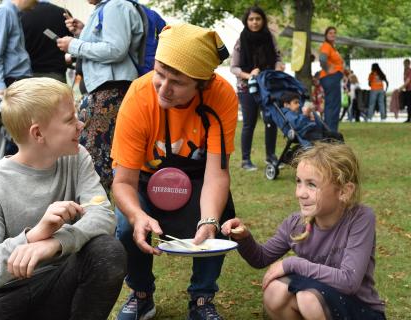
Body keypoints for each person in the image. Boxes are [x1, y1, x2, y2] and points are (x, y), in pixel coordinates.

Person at [0, 77, 126, 320]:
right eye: (69, 120)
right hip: (4, 293)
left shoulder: (77, 158)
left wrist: (56, 243)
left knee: (107, 250)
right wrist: (34, 236)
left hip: (58, 282)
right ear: (38, 134)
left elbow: (103, 216)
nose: (81, 125)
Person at [111, 23, 238, 320]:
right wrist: (137, 215)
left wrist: (207, 220)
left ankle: (202, 299)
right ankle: (141, 294)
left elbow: (216, 174)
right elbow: (123, 182)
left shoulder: (222, 96)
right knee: (127, 225)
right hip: (143, 180)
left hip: (197, 178)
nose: (163, 88)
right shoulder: (139, 95)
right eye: (160, 74)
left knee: (219, 216)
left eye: (177, 82)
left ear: (202, 84)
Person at [222, 142, 386, 320]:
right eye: (299, 182)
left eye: (312, 185)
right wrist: (244, 237)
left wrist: (293, 264)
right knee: (275, 292)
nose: (300, 193)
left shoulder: (360, 218)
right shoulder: (296, 223)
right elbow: (261, 258)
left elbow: (349, 281)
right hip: (319, 296)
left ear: (344, 191)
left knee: (307, 299)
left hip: (361, 310)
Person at [57, 0, 144, 193]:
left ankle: (96, 216)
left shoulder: (115, 6)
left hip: (110, 92)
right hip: (108, 91)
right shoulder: (108, 7)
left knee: (95, 162)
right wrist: (83, 32)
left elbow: (115, 50)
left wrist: (74, 44)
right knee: (101, 159)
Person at [230, 6, 283, 171]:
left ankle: (271, 156)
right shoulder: (241, 40)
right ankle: (246, 160)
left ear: (263, 20)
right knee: (249, 123)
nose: (254, 22)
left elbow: (278, 57)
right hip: (246, 88)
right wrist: (250, 75)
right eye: (251, 19)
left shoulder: (270, 38)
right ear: (247, 21)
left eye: (258, 19)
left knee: (271, 121)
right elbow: (234, 67)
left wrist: (279, 67)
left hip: (267, 86)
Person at [0, 0, 36, 98]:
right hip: (8, 83)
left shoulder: (12, 13)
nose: (36, 3)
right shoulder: (4, 12)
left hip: (14, 81)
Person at [21, 0, 73, 83]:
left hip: (28, 77)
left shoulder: (21, 14)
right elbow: (72, 45)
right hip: (57, 76)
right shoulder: (63, 13)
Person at [319, 26, 344, 132]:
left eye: (334, 33)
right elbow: (322, 59)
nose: (333, 34)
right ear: (326, 35)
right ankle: (330, 131)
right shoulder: (326, 46)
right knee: (332, 105)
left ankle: (332, 130)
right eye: (330, 33)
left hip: (334, 78)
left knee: (335, 105)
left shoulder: (332, 47)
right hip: (330, 78)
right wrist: (328, 70)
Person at [399, 58, 411, 123]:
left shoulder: (409, 71)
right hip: (407, 90)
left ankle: (409, 119)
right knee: (408, 105)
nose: (404, 65)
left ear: (409, 64)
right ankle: (409, 118)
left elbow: (408, 81)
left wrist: (401, 88)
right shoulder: (405, 71)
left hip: (410, 90)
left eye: (405, 64)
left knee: (409, 105)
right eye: (404, 64)